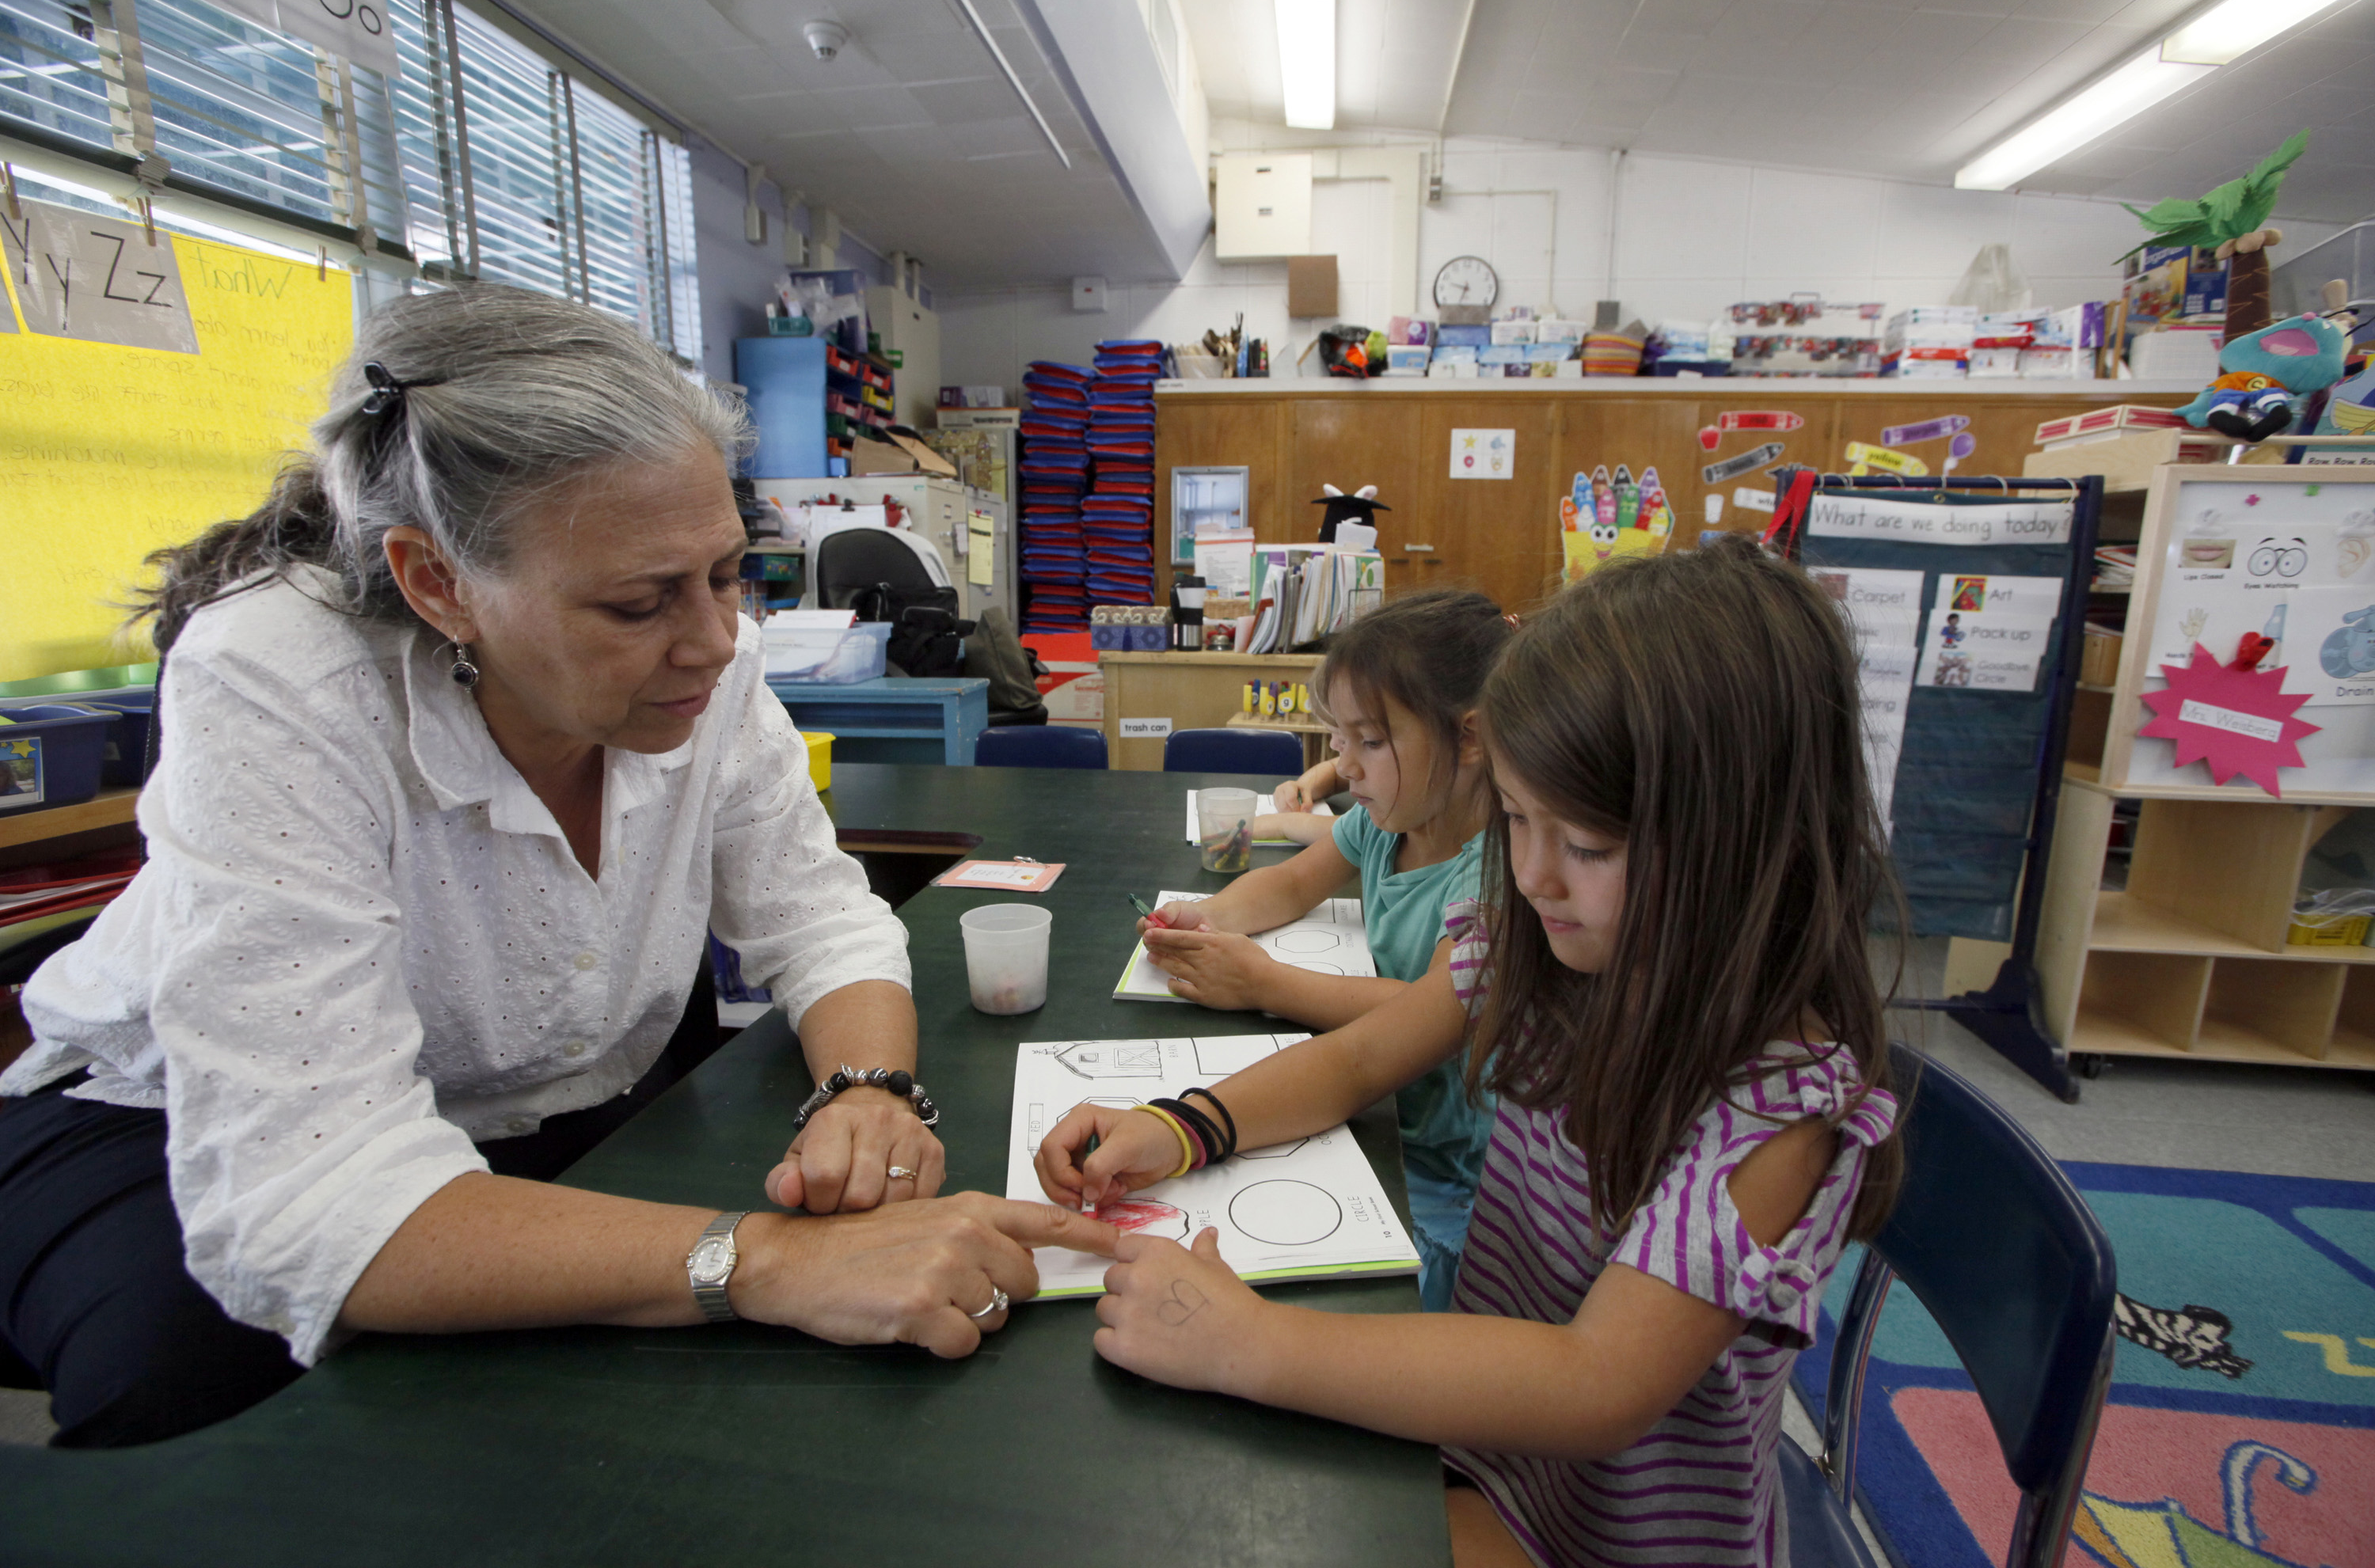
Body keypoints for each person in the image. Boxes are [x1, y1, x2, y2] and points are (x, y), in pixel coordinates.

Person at [0, 287, 1110, 1448]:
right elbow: (314, 1200)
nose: (718, 643)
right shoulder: (282, 675)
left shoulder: (699, 655)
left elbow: (820, 916)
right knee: (224, 1426)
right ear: (439, 585)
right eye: (639, 604)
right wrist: (768, 1258)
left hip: (536, 1109)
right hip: (179, 1132)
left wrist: (867, 1090)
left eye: (732, 576)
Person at [1039, 540, 1903, 1566]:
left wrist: (1252, 1344)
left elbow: (1597, 1384)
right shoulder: (1544, 943)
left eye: (1584, 846)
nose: (1532, 875)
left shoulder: (1774, 1110)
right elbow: (1359, 1063)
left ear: (1745, 840)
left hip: (1604, 1540)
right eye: (1518, 821)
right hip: (1484, 1456)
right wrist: (1179, 1126)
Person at [1136, 590, 1510, 1309]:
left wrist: (1267, 983)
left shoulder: (1494, 866)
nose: (1347, 767)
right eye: (1339, 741)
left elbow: (1426, 1009)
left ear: (1468, 738)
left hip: (1445, 1169)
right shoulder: (1384, 822)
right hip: (1379, 1111)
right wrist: (1205, 916)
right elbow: (1288, 886)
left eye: (1370, 741)